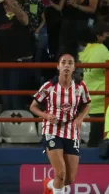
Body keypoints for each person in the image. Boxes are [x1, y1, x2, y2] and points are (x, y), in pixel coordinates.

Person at [30, 53, 91, 194]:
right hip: (52, 129)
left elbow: (87, 104)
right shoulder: (49, 86)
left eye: (70, 63)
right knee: (60, 173)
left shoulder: (80, 86)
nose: (66, 66)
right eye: (63, 62)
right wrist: (45, 115)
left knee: (69, 179)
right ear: (58, 66)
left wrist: (80, 118)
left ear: (74, 67)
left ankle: (49, 184)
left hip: (71, 129)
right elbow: (33, 106)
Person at [79, 22, 109, 147]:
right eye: (107, 34)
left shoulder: (87, 51)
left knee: (96, 134)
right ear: (98, 36)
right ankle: (95, 164)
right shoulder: (103, 52)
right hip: (104, 99)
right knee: (98, 138)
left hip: (91, 98)